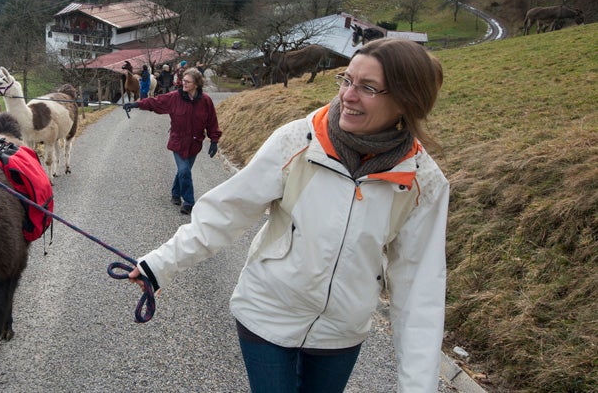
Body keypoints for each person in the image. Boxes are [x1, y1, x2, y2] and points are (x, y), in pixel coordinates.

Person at [128, 38, 449, 392]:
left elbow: (421, 290)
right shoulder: (299, 140)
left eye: (368, 88)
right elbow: (225, 213)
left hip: (340, 334)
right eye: (346, 79)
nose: (348, 96)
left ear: (407, 101)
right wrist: (159, 264)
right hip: (267, 315)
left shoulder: (424, 182)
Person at [123, 68, 221, 215]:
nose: (183, 83)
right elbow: (155, 102)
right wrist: (136, 104)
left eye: (188, 82)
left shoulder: (205, 101)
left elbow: (212, 121)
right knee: (184, 171)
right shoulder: (175, 97)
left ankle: (176, 193)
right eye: (184, 81)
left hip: (195, 143)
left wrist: (214, 141)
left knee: (183, 172)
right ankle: (189, 202)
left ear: (196, 84)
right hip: (178, 141)